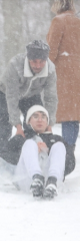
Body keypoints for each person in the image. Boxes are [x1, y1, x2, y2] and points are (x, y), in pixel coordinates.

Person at [0, 105, 74, 199]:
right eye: (35, 116)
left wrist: (48, 151)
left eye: (43, 117)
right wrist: (26, 153)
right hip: (26, 179)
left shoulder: (56, 139)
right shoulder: (21, 138)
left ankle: (52, 181)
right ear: (28, 121)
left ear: (47, 121)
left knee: (59, 145)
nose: (40, 120)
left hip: (53, 179)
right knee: (29, 144)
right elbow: (2, 157)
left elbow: (71, 163)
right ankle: (37, 179)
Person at [0, 40, 58, 152]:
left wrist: (49, 123)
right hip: (5, 94)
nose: (38, 66)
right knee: (4, 130)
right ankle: (0, 161)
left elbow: (51, 98)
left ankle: (31, 159)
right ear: (28, 59)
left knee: (35, 127)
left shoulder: (51, 70)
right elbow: (12, 97)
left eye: (42, 62)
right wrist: (17, 125)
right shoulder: (15, 65)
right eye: (34, 61)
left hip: (32, 96)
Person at [47, 0, 80, 147]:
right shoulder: (77, 21)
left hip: (66, 75)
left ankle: (68, 152)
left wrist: (45, 69)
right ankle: (69, 150)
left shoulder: (58, 21)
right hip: (77, 72)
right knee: (75, 113)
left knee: (69, 115)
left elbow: (51, 50)